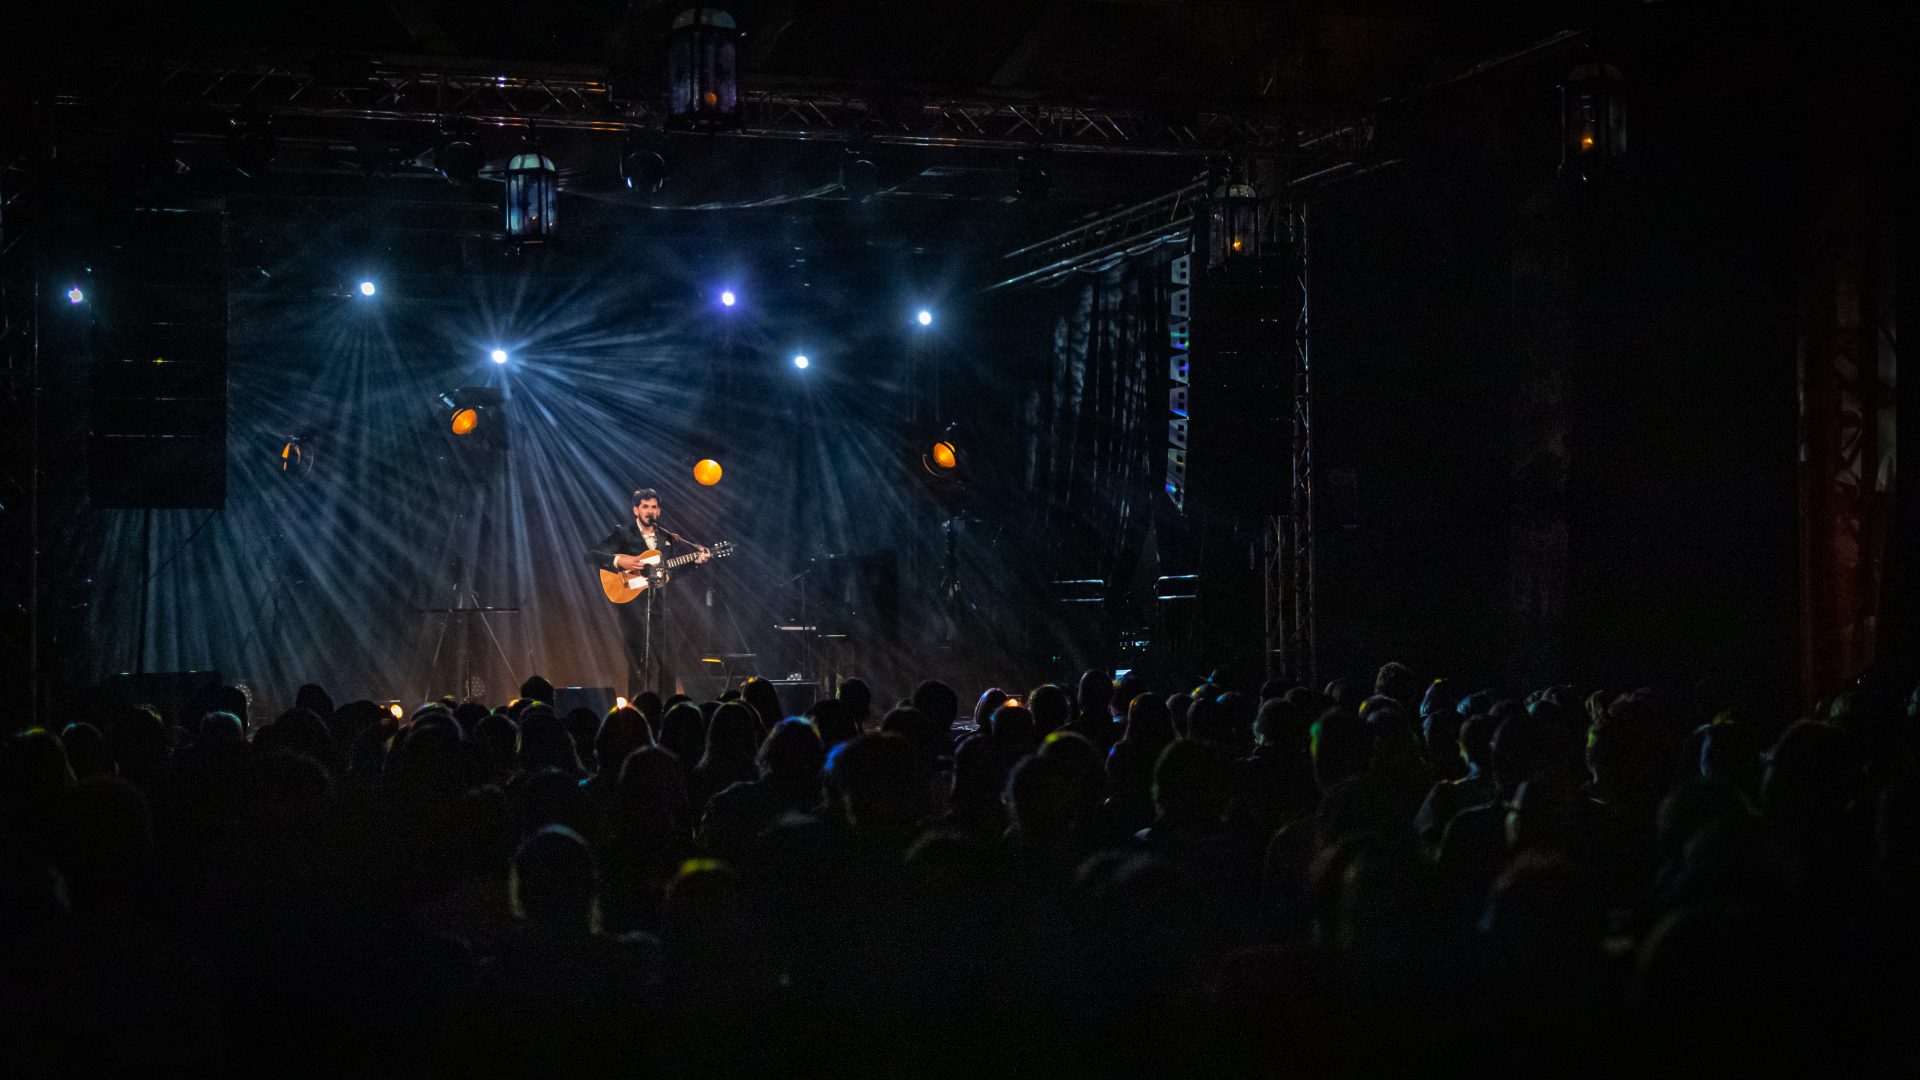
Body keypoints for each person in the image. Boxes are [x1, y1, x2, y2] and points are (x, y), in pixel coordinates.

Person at [585, 488, 711, 698]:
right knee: (639, 662)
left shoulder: (666, 538)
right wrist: (619, 561)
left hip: (658, 606)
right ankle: (637, 708)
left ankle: (666, 707)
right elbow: (590, 555)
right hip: (631, 607)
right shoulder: (623, 533)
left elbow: (668, 573)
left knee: (668, 660)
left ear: (659, 512)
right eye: (645, 506)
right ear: (636, 510)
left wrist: (694, 564)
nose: (649, 511)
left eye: (653, 507)